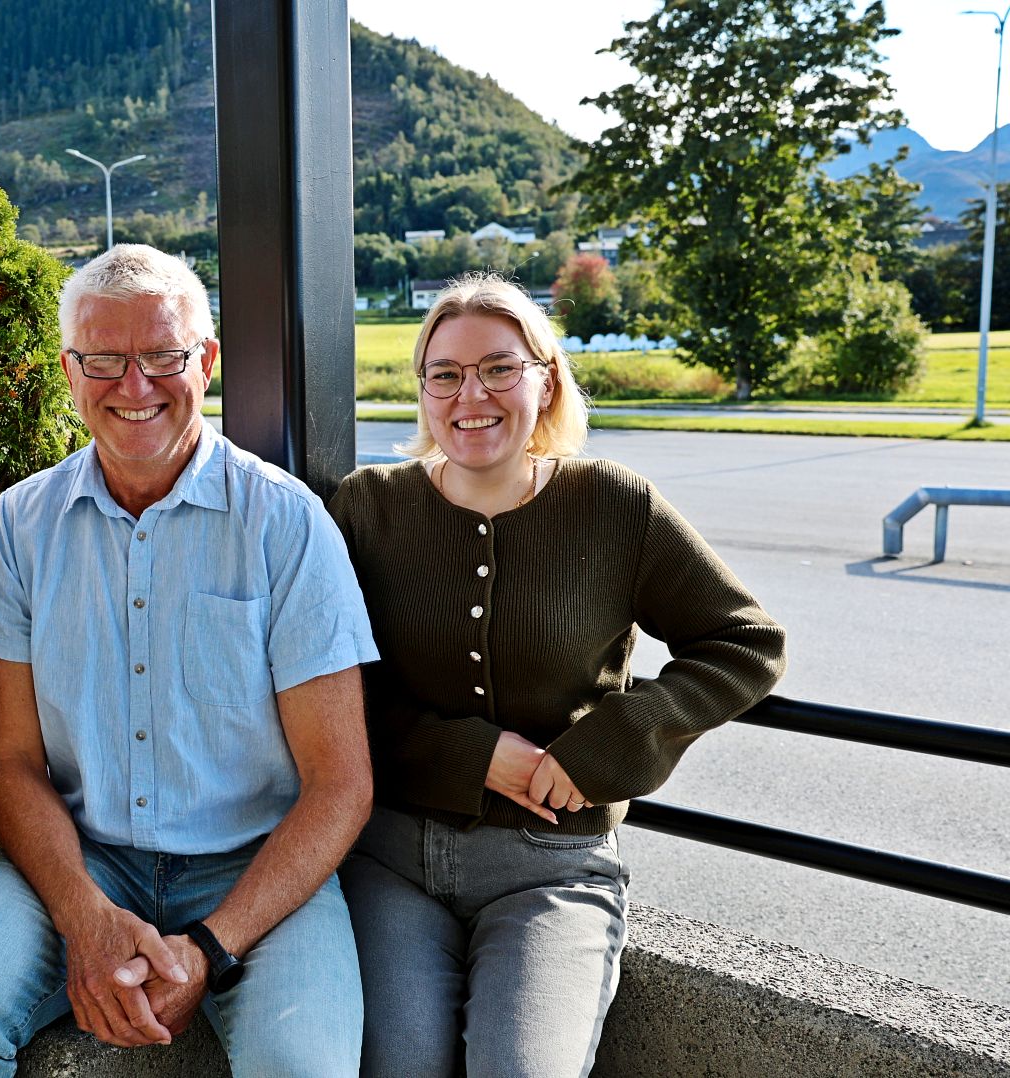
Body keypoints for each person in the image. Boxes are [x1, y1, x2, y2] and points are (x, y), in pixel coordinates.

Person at [0, 244, 379, 1075]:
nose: (134, 384)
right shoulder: (22, 527)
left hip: (256, 868)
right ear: (69, 371)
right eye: (104, 360)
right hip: (79, 858)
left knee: (302, 1065)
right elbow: (11, 762)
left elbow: (341, 783)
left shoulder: (286, 524)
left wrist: (210, 947)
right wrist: (84, 918)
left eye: (162, 356)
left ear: (206, 361)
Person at [328, 272, 788, 1077]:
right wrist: (470, 756)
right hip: (391, 862)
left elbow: (745, 641)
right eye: (446, 374)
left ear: (545, 381)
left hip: (552, 868)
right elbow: (333, 686)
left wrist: (605, 747)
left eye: (499, 368)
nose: (472, 394)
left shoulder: (614, 504)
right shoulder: (368, 507)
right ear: (424, 391)